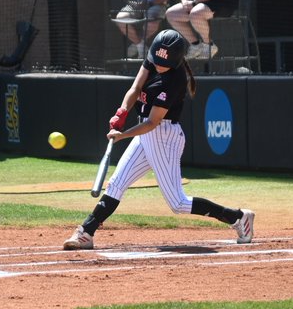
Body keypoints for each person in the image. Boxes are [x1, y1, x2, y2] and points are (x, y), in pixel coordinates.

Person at [63, 29, 255, 251]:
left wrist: (122, 135)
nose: (158, 64)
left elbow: (153, 123)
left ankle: (238, 218)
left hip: (163, 136)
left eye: (164, 62)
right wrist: (122, 111)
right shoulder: (154, 59)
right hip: (146, 132)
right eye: (157, 59)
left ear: (174, 60)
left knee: (178, 203)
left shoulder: (174, 80)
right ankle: (86, 232)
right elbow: (135, 88)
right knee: (117, 183)